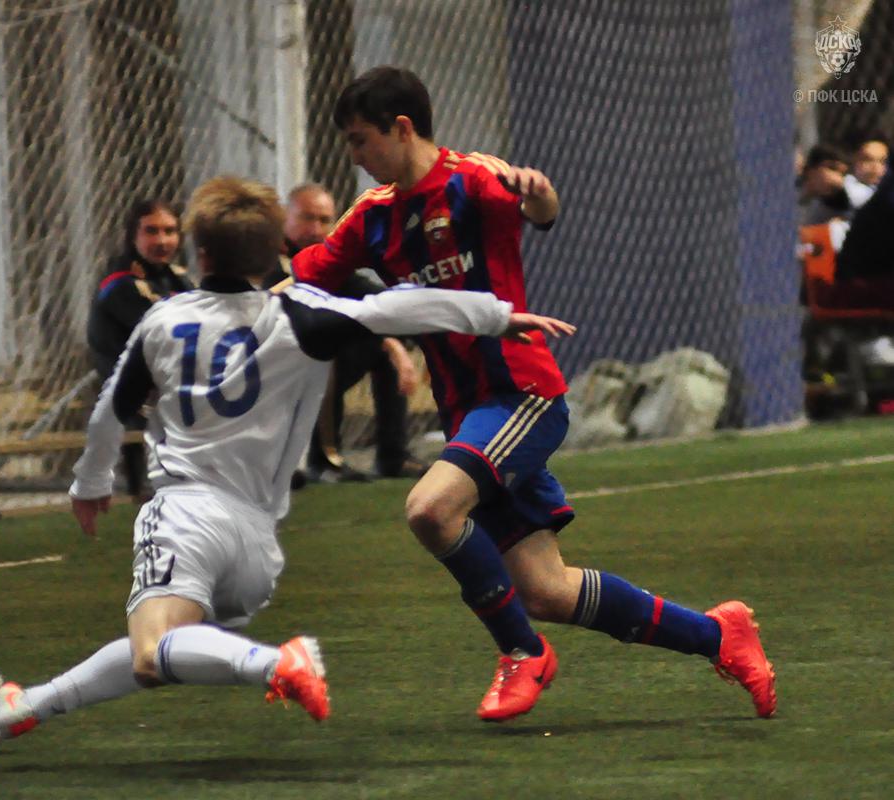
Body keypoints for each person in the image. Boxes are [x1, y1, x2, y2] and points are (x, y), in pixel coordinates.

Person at [0, 175, 575, 744]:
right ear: (275, 252)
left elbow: (111, 410)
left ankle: (276, 663)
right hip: (256, 540)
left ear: (199, 251)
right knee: (165, 645)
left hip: (186, 514)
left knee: (155, 648)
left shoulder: (163, 320)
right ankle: (26, 708)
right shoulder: (299, 316)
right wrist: (497, 315)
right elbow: (395, 307)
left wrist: (90, 482)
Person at [290, 66, 777, 722]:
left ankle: (523, 652)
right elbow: (306, 277)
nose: (353, 155)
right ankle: (720, 636)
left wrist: (542, 196)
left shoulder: (473, 180)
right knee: (546, 590)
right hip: (470, 418)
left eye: (359, 140)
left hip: (520, 396)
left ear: (401, 128)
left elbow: (537, 211)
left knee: (430, 510)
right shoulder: (373, 216)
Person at [274, 183, 427, 483]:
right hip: (273, 370)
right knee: (326, 351)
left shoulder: (326, 261)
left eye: (324, 220)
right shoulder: (270, 260)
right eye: (307, 218)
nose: (316, 229)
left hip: (306, 362)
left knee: (379, 343)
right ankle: (323, 461)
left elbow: (375, 298)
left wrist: (396, 342)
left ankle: (393, 457)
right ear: (284, 219)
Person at [87, 199, 194, 501]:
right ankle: (141, 485)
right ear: (132, 236)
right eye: (151, 231)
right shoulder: (119, 283)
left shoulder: (177, 278)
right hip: (135, 392)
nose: (162, 241)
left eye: (170, 231)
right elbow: (165, 332)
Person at [798, 144, 852, 226]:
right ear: (811, 168)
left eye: (843, 174)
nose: (837, 180)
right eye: (832, 168)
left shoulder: (825, 212)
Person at [844, 133, 889, 210]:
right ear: (854, 159)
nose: (876, 167)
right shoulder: (845, 186)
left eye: (882, 161)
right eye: (868, 159)